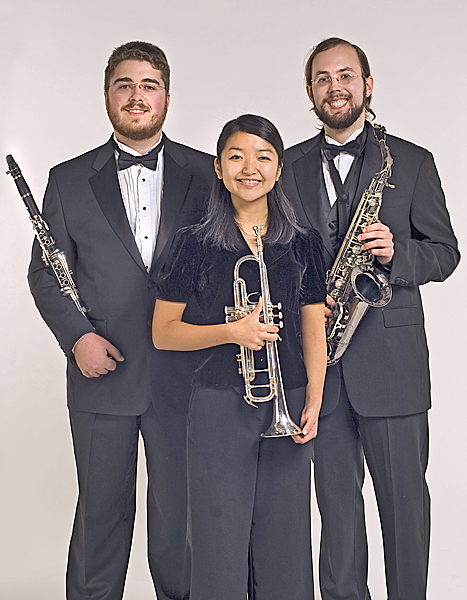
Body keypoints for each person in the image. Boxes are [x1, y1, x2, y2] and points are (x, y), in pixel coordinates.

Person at [28, 41, 214, 600]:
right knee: (101, 516)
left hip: (185, 375)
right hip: (100, 373)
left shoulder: (207, 173)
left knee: (179, 524)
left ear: (166, 95)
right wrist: (77, 337)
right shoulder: (66, 180)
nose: (137, 97)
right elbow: (45, 272)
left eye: (148, 85)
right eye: (125, 86)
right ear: (107, 95)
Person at [281, 37, 460, 600]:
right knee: (336, 511)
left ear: (367, 85)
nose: (336, 86)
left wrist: (396, 252)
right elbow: (273, 254)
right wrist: (304, 295)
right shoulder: (285, 166)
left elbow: (447, 253)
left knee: (406, 511)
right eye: (323, 78)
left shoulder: (411, 161)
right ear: (310, 92)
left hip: (394, 367)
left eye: (346, 75)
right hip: (320, 367)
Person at [152, 114, 327, 600]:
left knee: (286, 545)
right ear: (218, 168)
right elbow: (163, 333)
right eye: (236, 156)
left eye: (263, 157)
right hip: (217, 405)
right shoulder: (194, 242)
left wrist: (313, 397)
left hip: (288, 401)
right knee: (217, 539)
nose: (249, 168)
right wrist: (232, 331)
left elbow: (314, 327)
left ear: (278, 168)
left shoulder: (303, 242)